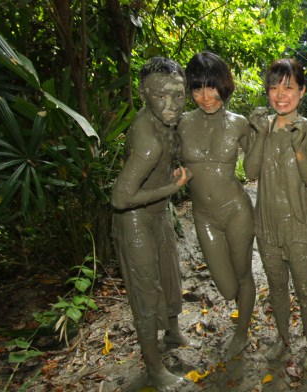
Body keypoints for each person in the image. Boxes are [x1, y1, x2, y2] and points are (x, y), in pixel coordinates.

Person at [111, 57, 193, 391]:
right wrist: (172, 188)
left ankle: (173, 333)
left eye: (178, 95)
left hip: (158, 213)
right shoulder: (148, 141)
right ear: (144, 93)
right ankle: (154, 369)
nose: (171, 105)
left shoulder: (167, 121)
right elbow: (119, 198)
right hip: (135, 221)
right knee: (145, 293)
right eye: (160, 96)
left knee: (170, 275)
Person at [178, 51, 256, 361]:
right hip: (204, 215)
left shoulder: (239, 123)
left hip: (237, 210)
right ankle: (243, 307)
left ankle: (242, 331)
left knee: (243, 275)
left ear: (224, 85)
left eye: (212, 86)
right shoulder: (181, 123)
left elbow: (256, 166)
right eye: (197, 88)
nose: (206, 96)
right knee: (226, 288)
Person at [246, 59, 307, 370]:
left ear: (302, 91)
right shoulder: (262, 127)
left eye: (288, 87)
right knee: (277, 287)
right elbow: (250, 171)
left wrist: (298, 147)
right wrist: (259, 133)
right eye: (274, 87)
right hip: (266, 226)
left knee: (305, 289)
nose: (280, 94)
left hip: (300, 226)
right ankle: (283, 337)